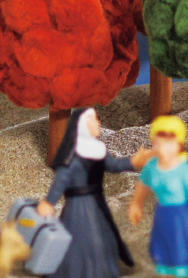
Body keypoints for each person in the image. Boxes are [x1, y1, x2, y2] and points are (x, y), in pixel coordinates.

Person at [39, 107, 136, 278]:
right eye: (94, 119)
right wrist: (49, 202)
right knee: (80, 240)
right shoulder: (74, 154)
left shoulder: (99, 149)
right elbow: (61, 179)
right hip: (78, 206)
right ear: (83, 125)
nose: (99, 123)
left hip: (97, 203)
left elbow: (113, 166)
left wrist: (134, 161)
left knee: (101, 237)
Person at [126, 115, 188, 278]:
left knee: (182, 255)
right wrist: (136, 204)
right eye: (157, 143)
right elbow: (143, 185)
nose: (162, 148)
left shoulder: (186, 173)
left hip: (182, 219)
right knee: (163, 254)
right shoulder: (152, 167)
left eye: (169, 143)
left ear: (179, 145)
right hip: (163, 216)